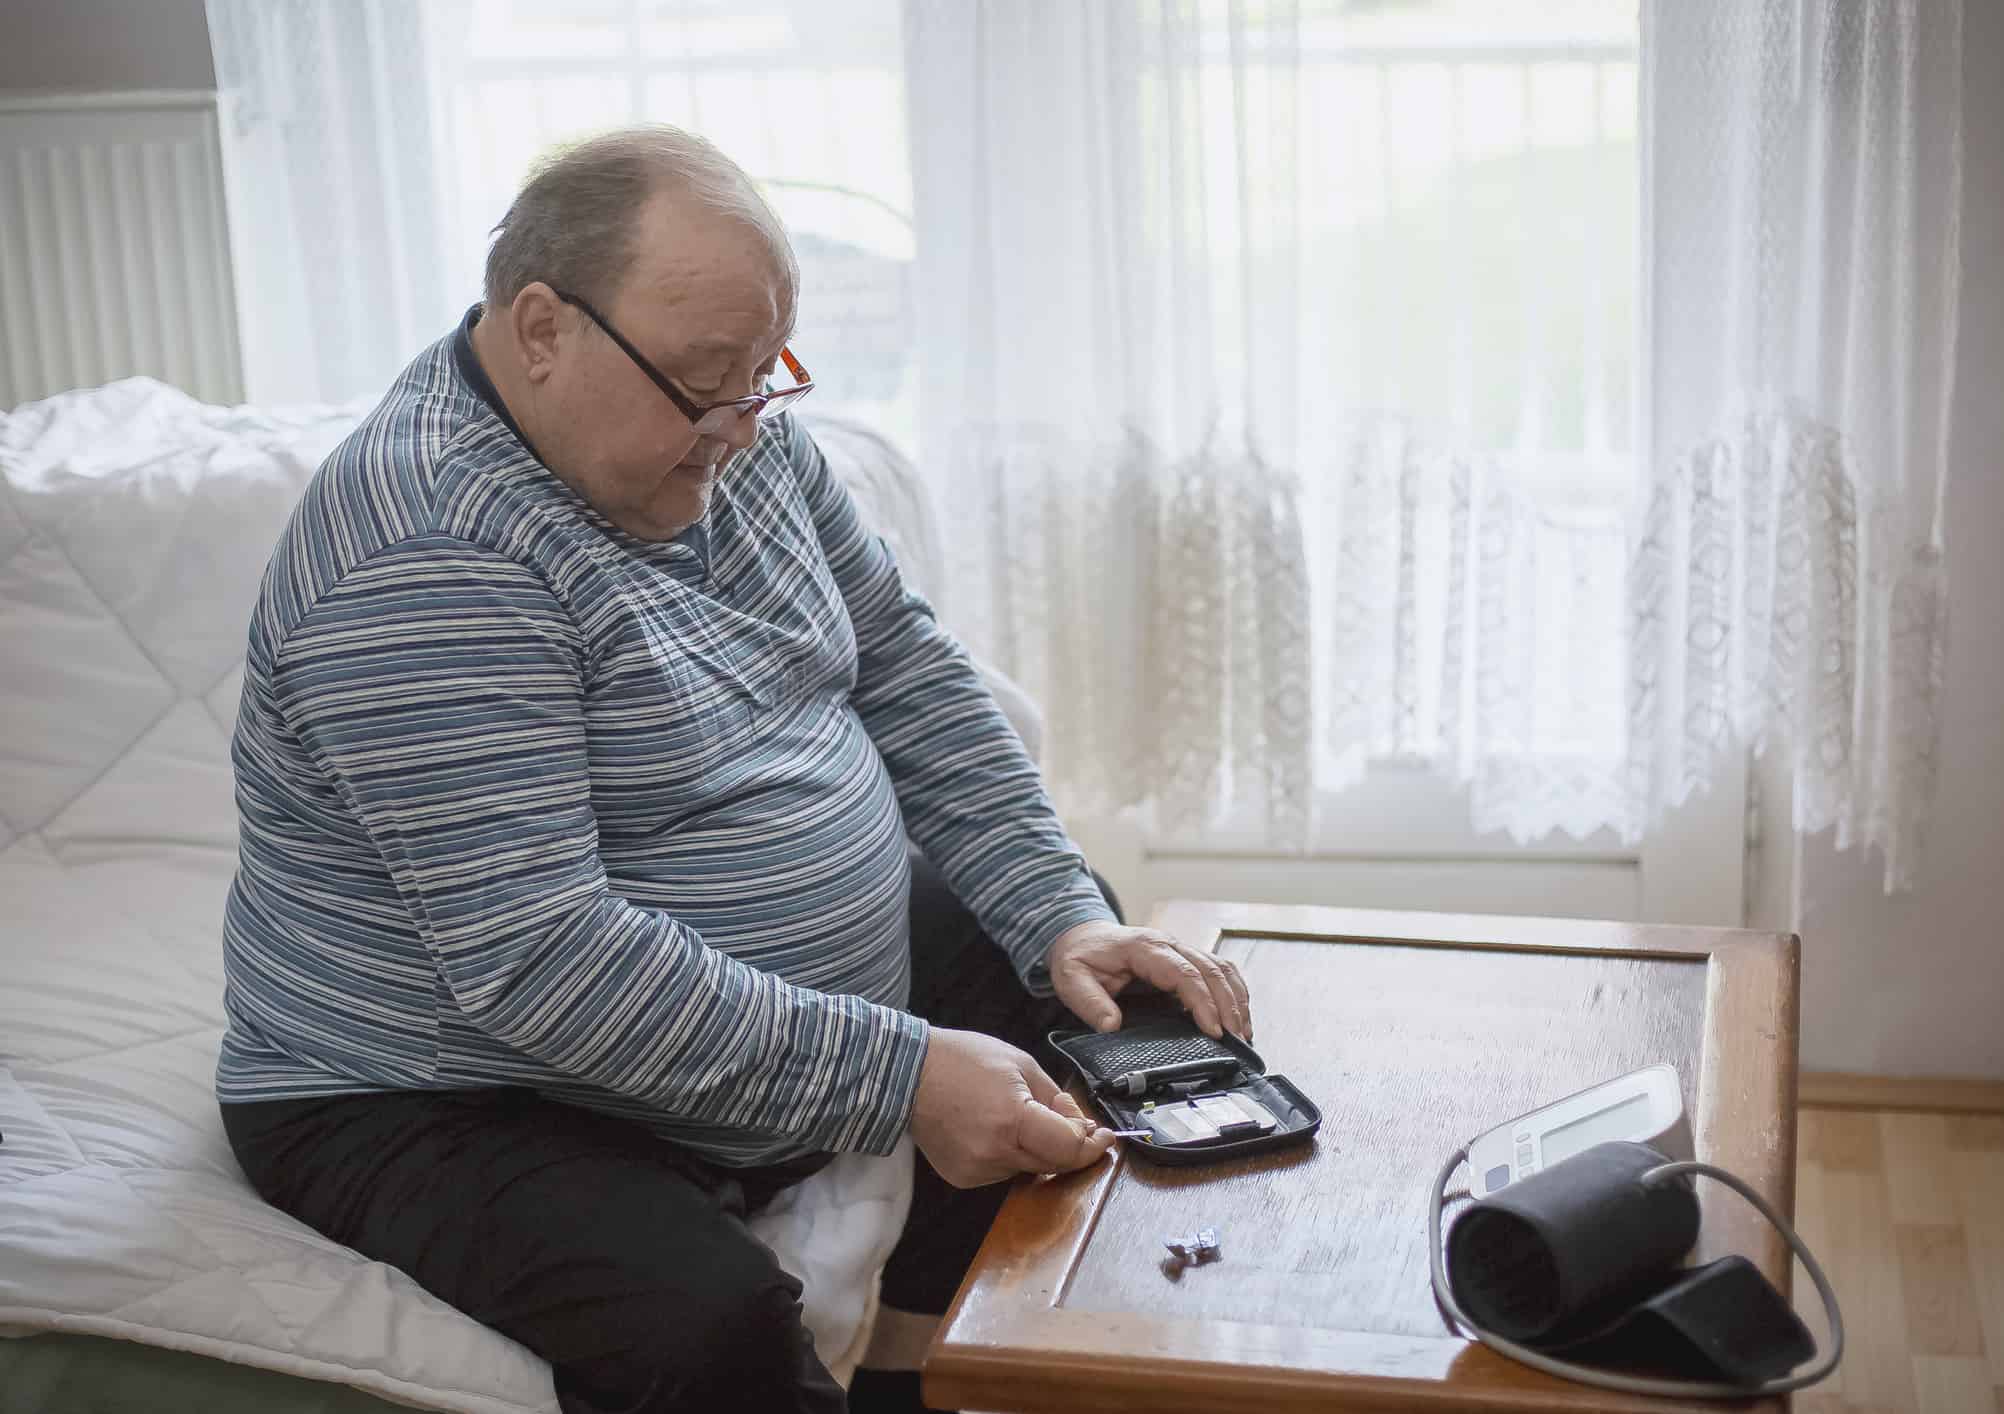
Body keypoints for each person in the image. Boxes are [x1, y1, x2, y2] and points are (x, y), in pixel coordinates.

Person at [213, 124, 1252, 1414]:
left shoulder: (727, 440)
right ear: (543, 329)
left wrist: (1057, 909)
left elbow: (909, 673)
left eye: (767, 375)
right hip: (445, 1081)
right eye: (709, 382)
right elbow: (540, 963)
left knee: (1086, 982)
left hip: (685, 999)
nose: (744, 425)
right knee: (707, 1321)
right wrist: (899, 1073)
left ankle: (945, 1363)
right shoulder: (429, 553)